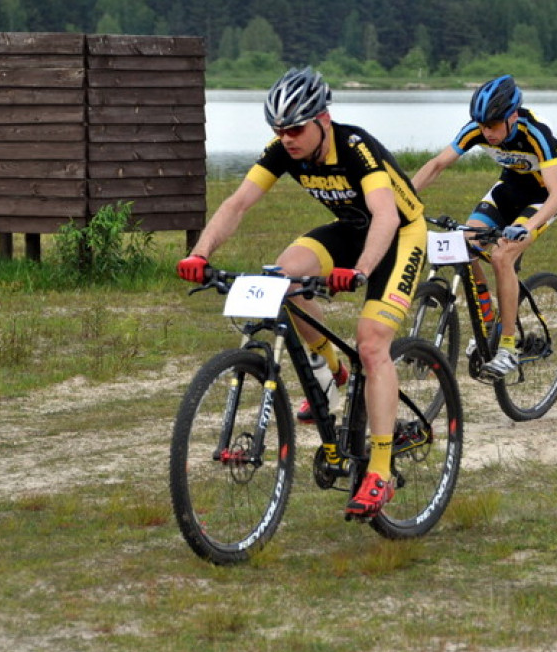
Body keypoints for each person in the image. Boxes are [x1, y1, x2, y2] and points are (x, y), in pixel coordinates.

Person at [177, 67, 427, 518]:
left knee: (372, 343)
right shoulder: (284, 152)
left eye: (295, 129)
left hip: (398, 235)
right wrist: (200, 254)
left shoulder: (356, 148)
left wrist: (362, 270)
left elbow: (387, 217)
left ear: (322, 120)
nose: (286, 138)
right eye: (278, 129)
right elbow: (238, 203)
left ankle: (381, 471)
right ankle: (332, 371)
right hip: (351, 230)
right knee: (282, 277)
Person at [411, 75, 557, 379]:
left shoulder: (537, 133)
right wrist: (402, 202)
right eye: (482, 125)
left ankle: (507, 347)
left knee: (501, 255)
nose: (487, 132)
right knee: (463, 245)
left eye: (494, 125)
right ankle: (488, 323)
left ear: (511, 117)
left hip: (544, 197)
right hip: (509, 188)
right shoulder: (479, 128)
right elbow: (437, 165)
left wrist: (528, 226)